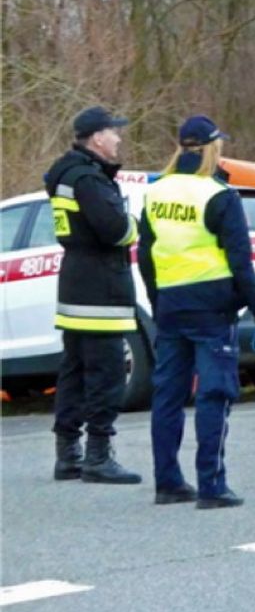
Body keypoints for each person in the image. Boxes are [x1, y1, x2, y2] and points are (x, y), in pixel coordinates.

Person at [138, 115, 255, 509]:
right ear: (213, 149)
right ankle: (211, 485)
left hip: (171, 305)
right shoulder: (219, 196)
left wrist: (157, 300)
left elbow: (146, 253)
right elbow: (241, 263)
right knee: (215, 393)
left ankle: (168, 482)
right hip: (212, 309)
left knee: (168, 395)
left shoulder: (156, 192)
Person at [44, 106, 143, 484]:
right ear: (97, 138)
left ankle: (68, 453)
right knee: (107, 372)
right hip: (101, 285)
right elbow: (115, 230)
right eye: (114, 132)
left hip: (75, 282)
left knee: (74, 369)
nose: (118, 139)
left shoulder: (66, 175)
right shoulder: (89, 179)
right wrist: (133, 224)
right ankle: (98, 456)